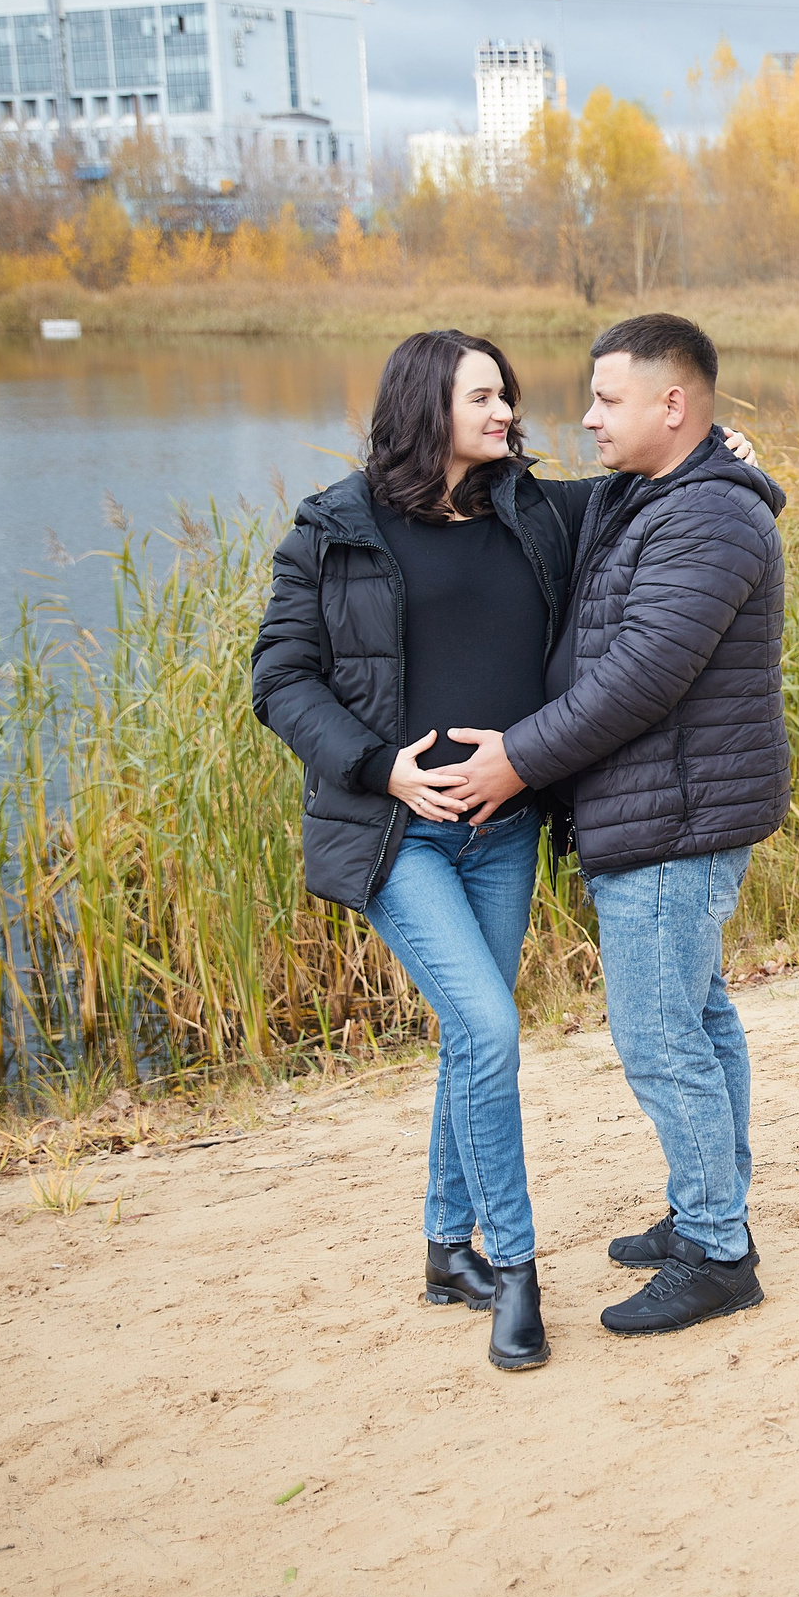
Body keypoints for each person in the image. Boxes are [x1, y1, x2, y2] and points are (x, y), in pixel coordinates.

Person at [249, 330, 589, 1373]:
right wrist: (378, 767)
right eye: (483, 397)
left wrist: (732, 461)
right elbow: (281, 679)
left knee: (468, 1040)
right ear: (426, 407)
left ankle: (448, 1250)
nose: (506, 411)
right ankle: (516, 1269)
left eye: (507, 396)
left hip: (506, 832)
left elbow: (654, 495)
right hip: (401, 833)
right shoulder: (334, 531)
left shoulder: (535, 508)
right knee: (489, 1026)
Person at [444, 313, 789, 1338]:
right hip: (665, 806)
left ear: (672, 406)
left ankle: (719, 1252)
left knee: (657, 1036)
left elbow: (637, 680)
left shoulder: (711, 518)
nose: (586, 418)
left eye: (606, 399)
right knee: (699, 1015)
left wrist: (515, 758)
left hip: (672, 815)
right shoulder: (659, 495)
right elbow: (543, 515)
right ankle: (706, 1213)